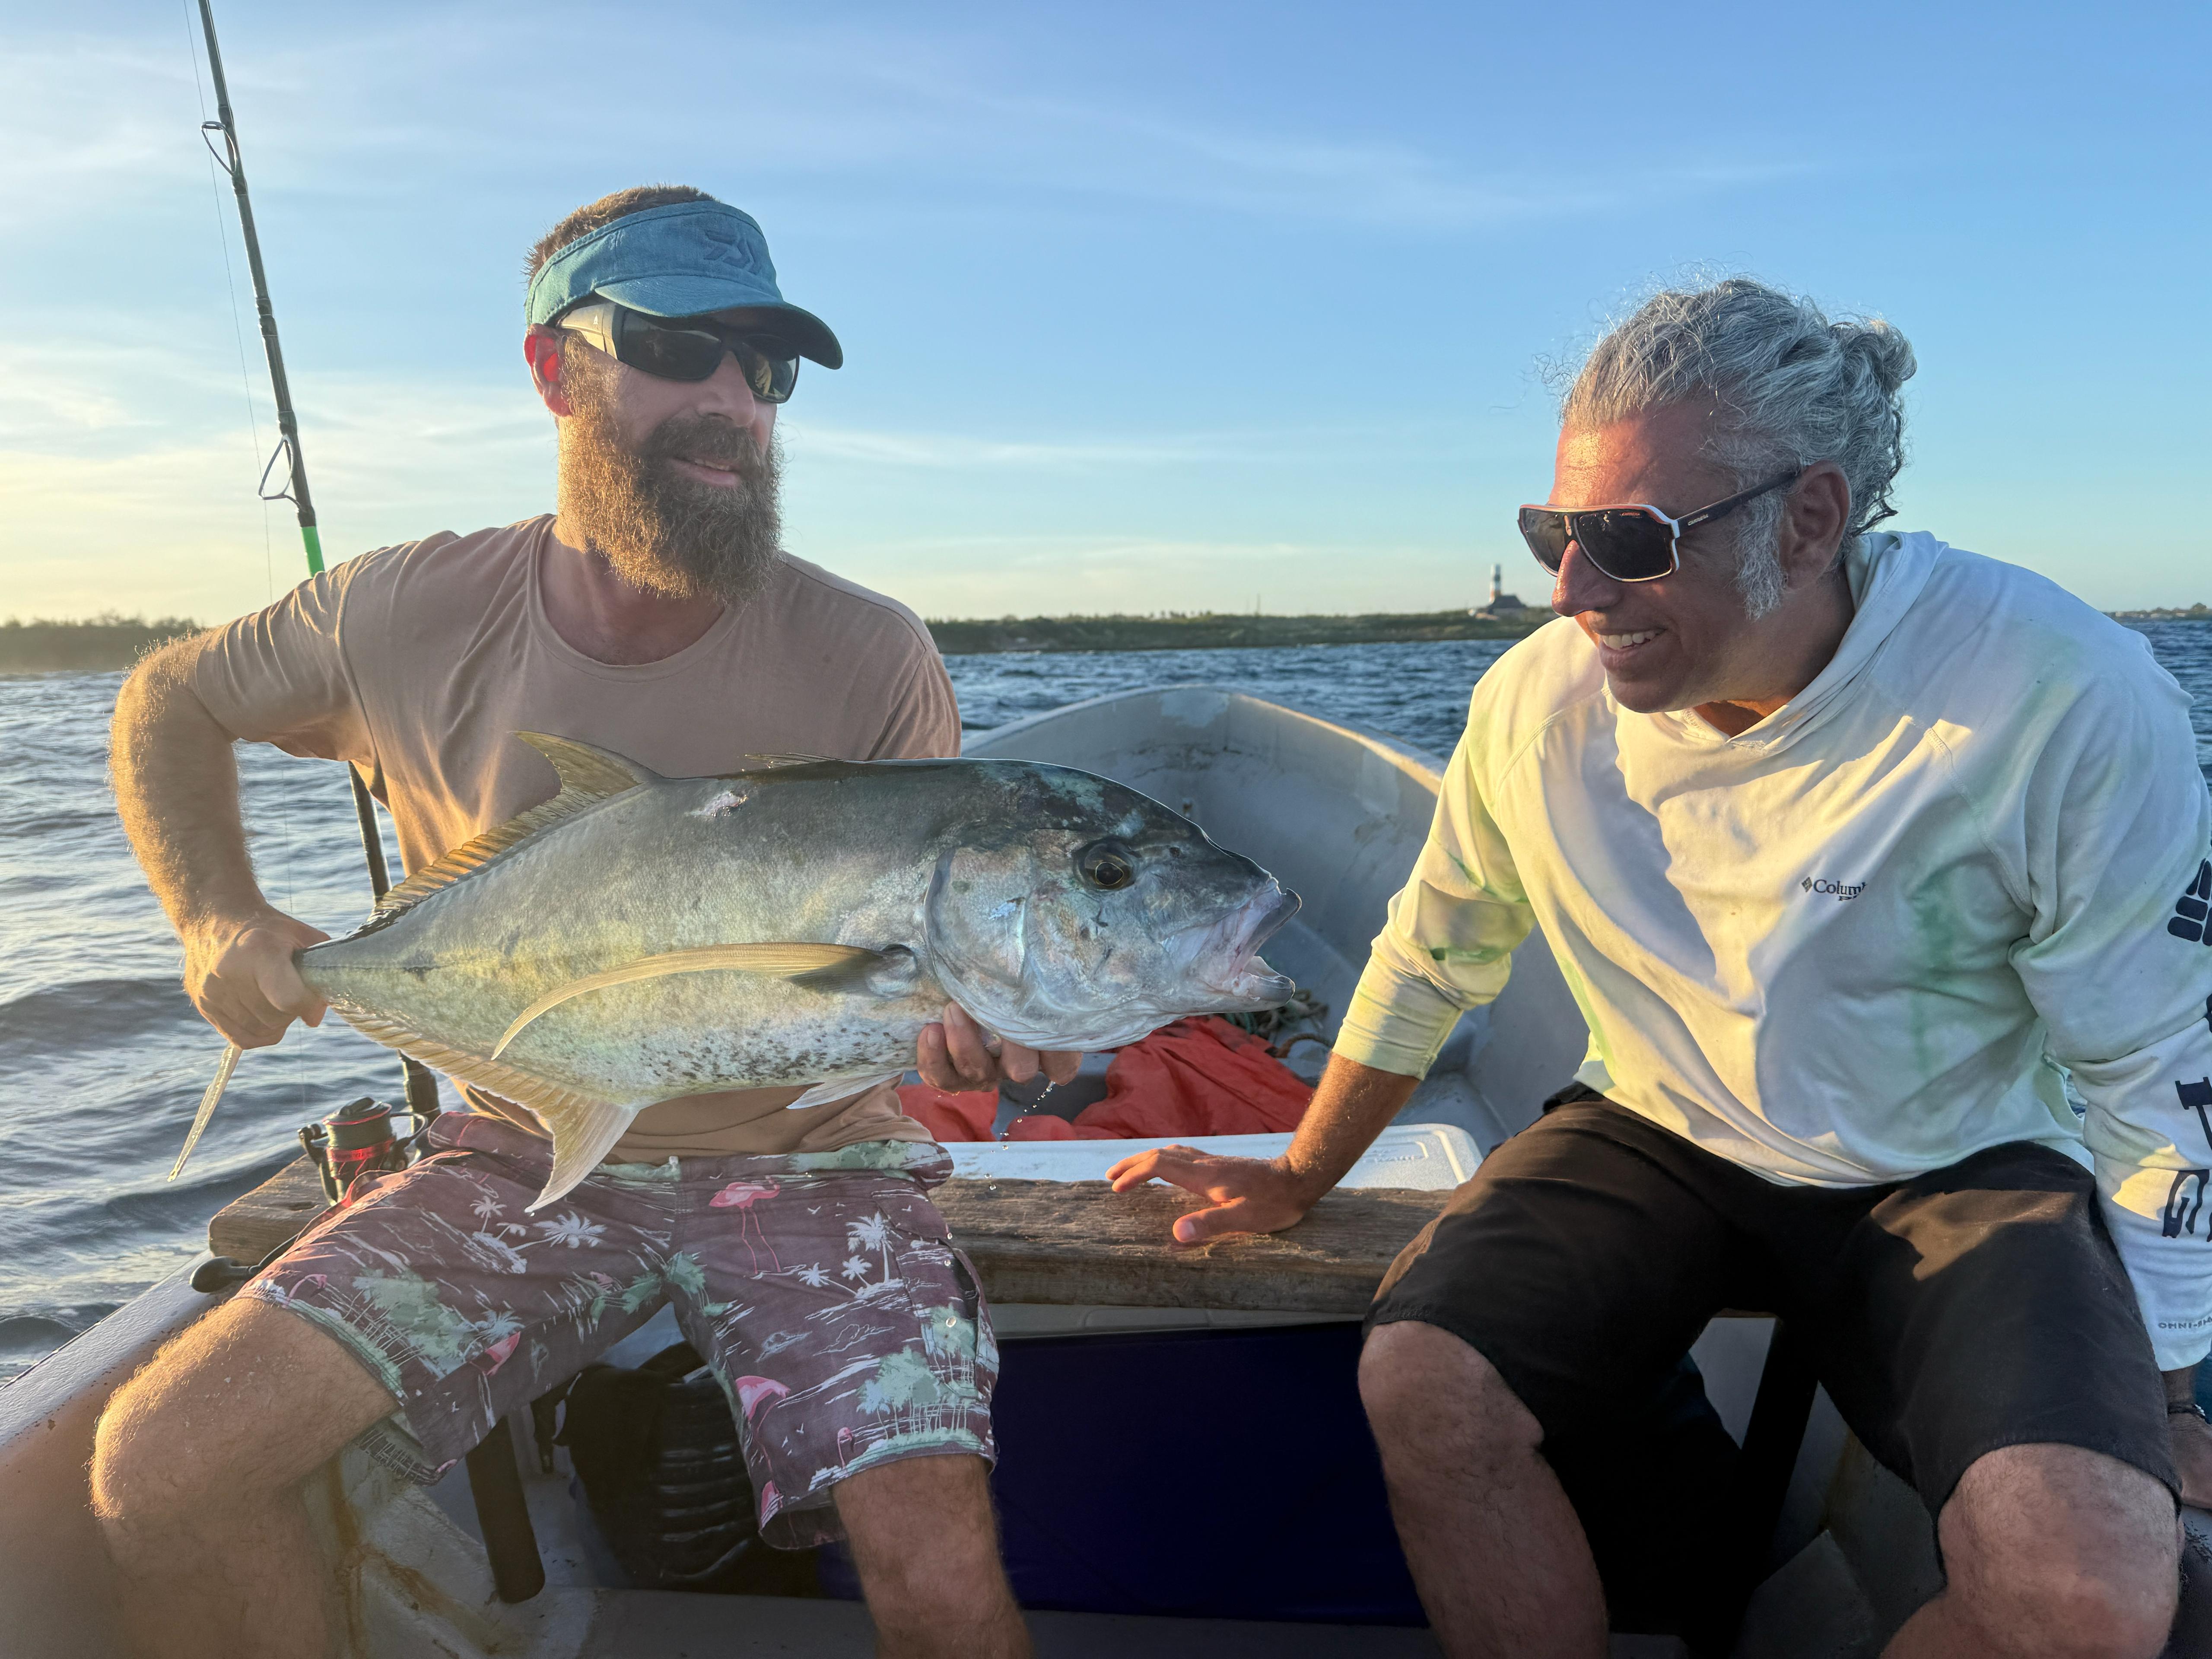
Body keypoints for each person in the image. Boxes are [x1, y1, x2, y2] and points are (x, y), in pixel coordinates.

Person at [1109, 278, 2212, 1657]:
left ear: (1812, 519)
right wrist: (1299, 1172)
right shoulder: (1533, 705)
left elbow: (2155, 1071)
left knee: (2089, 1593)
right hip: (1659, 1124)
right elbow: (1434, 951)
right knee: (1425, 1382)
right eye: (1553, 532)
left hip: (1964, 1160)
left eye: (1628, 539)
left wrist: (2165, 1390)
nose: (1571, 592)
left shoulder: (2056, 694)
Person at [92, 185, 1059, 1659]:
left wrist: (987, 1032)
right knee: (158, 1470)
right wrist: (214, 913)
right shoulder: (402, 612)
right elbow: (170, 698)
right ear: (556, 369)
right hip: (519, 1153)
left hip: (815, 1157)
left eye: (769, 368)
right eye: (685, 348)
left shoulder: (874, 653)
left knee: (934, 1570)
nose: (736, 401)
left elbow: (920, 947)